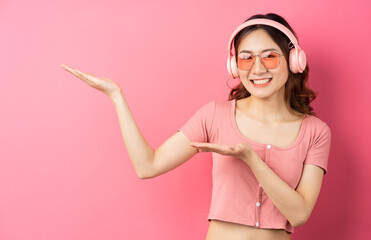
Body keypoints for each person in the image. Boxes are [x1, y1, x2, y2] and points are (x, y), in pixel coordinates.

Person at [62, 12, 331, 240]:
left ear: (294, 60)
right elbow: (148, 166)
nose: (257, 69)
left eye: (269, 57)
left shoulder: (315, 132)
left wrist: (251, 158)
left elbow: (299, 213)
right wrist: (117, 96)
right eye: (246, 58)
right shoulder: (214, 115)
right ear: (234, 65)